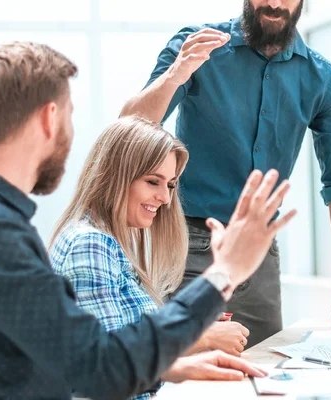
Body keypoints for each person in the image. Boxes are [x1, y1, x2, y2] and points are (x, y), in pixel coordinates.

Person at [0, 41, 295, 399]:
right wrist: (223, 272)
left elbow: (73, 359)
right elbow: (100, 371)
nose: (165, 198)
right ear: (49, 117)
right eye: (71, 115)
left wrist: (172, 367)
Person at [121, 0, 331, 347]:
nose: (274, 4)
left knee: (263, 373)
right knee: (177, 366)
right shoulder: (197, 47)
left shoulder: (322, 79)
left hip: (259, 254)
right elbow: (128, 129)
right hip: (187, 246)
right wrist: (175, 74)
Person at [50, 117, 251, 378]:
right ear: (115, 177)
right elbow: (111, 364)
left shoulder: (105, 241)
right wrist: (202, 336)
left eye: (170, 185)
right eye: (153, 182)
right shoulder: (90, 245)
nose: (166, 198)